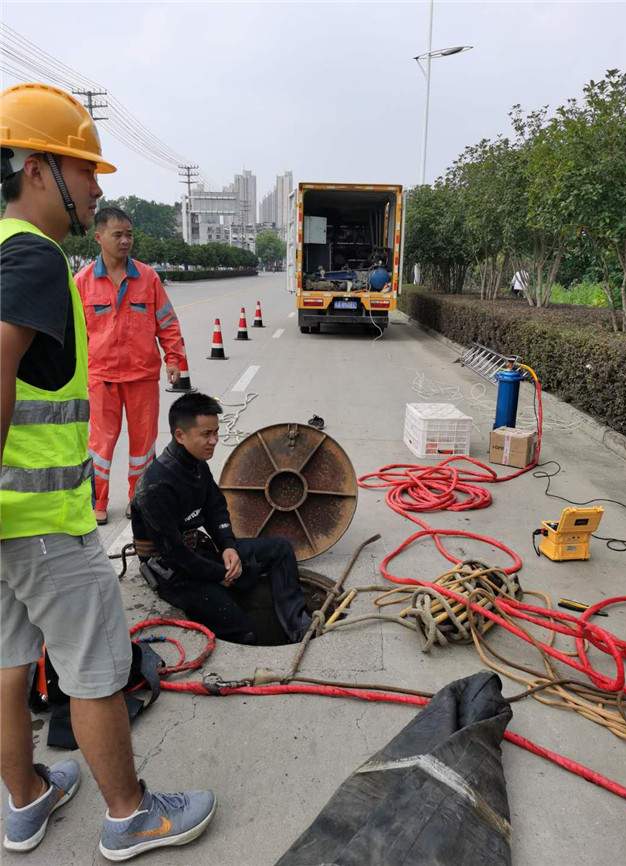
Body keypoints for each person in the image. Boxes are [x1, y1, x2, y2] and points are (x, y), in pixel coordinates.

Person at [0, 82, 215, 860]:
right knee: (95, 665)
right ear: (35, 168)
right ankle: (131, 815)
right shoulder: (32, 254)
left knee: (9, 658)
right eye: (84, 169)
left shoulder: (2, 248)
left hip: (11, 518)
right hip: (43, 522)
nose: (96, 188)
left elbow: (162, 326)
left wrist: (181, 365)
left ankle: (24, 798)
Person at [131, 392, 312, 645]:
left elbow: (216, 509)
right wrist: (219, 574)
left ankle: (298, 626)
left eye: (216, 432)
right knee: (244, 632)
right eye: (206, 434)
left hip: (200, 553)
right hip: (174, 572)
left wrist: (228, 545)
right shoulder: (157, 487)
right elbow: (174, 553)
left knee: (280, 548)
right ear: (180, 435)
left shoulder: (197, 466)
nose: (214, 440)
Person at [74, 206, 184, 526]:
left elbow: (167, 323)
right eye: (117, 235)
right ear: (99, 237)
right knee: (100, 446)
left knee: (143, 446)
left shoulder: (147, 278)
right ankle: (98, 501)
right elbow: (73, 335)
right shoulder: (81, 282)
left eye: (129, 234)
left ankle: (140, 499)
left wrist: (174, 359)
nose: (125, 241)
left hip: (142, 376)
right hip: (101, 376)